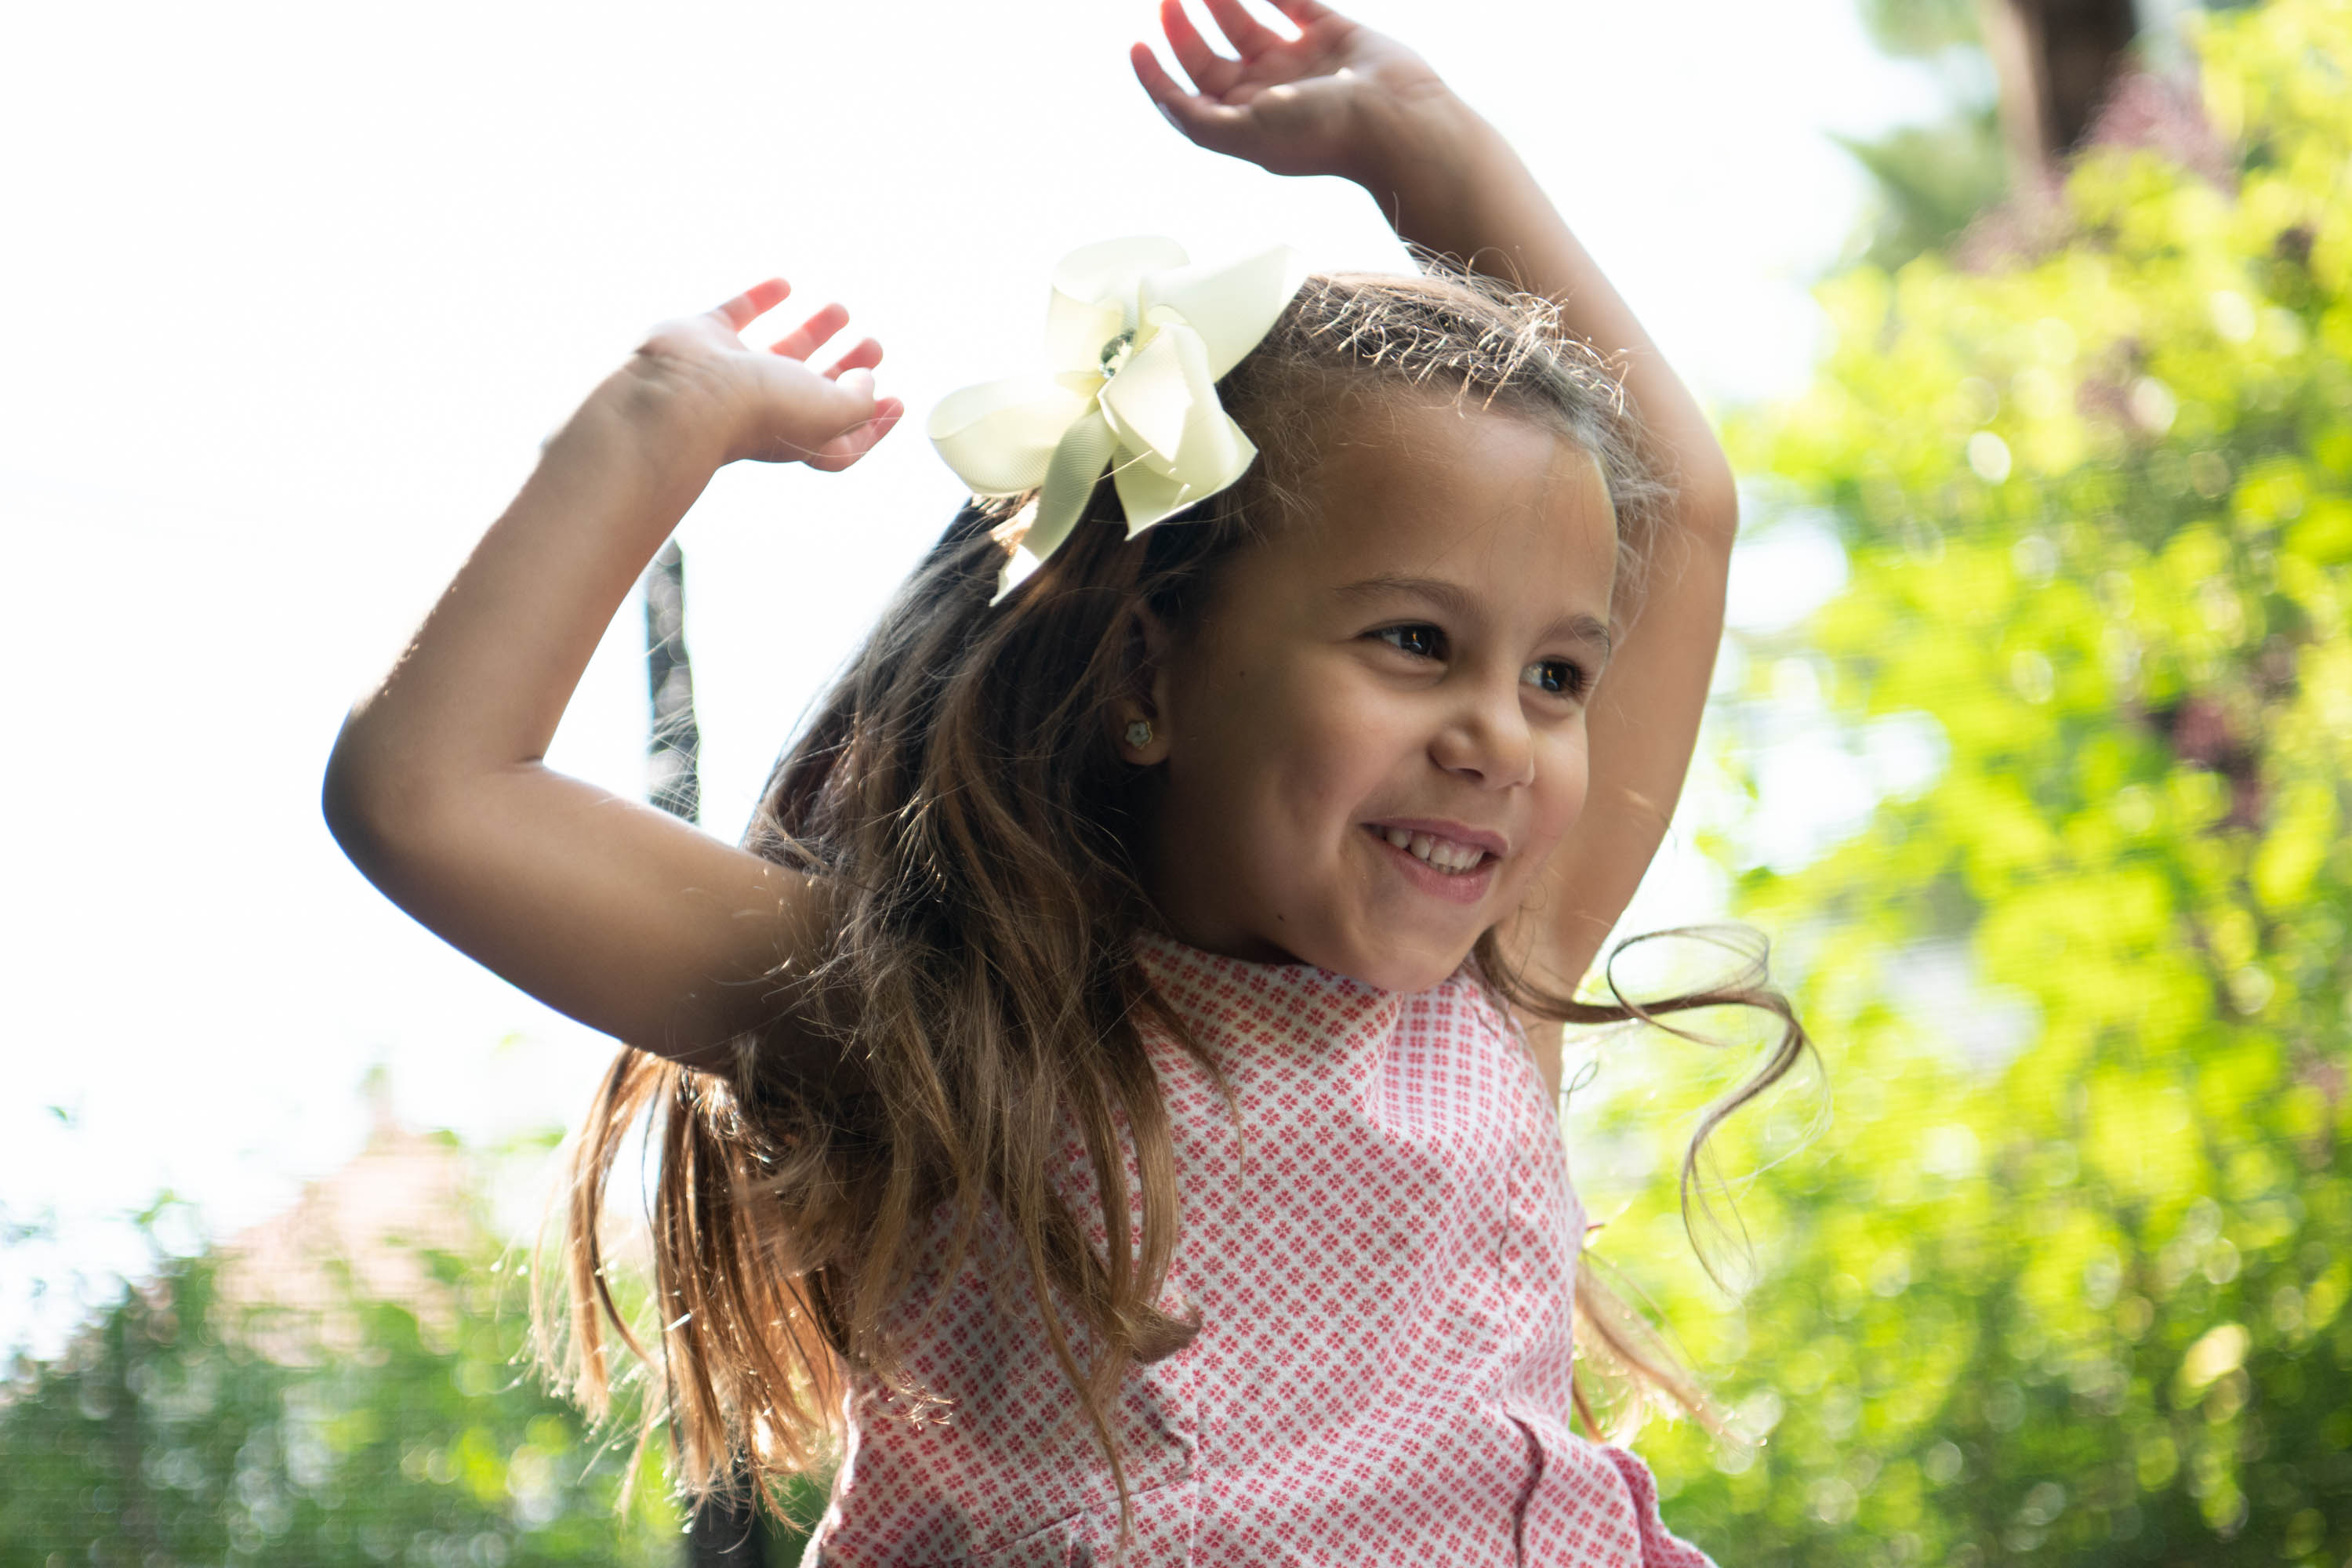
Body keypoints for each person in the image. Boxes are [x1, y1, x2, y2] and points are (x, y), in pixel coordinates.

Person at [324, 2, 1808, 1561]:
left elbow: (1682, 507)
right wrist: (655, 420)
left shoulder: (1494, 991)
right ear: (1150, 671)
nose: (1501, 734)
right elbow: (429, 792)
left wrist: (1433, 148)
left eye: (1558, 675)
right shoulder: (945, 1017)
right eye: (1417, 641)